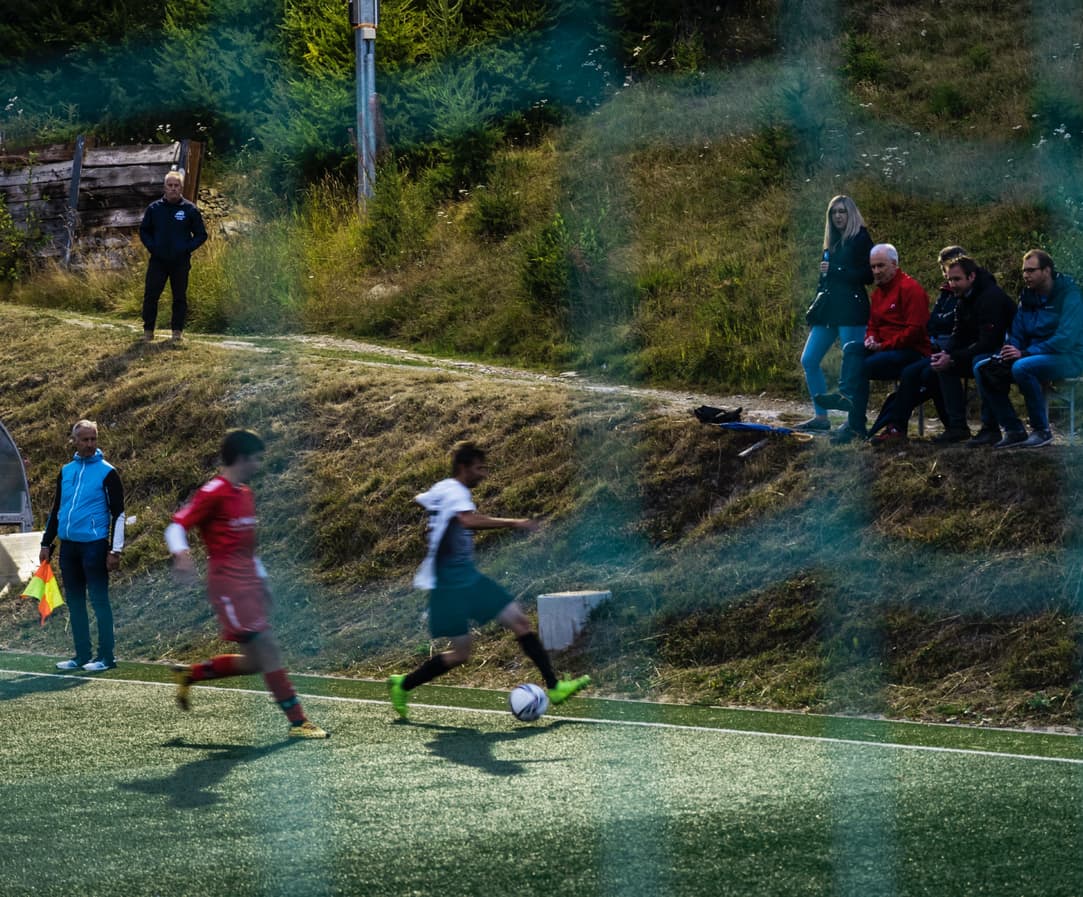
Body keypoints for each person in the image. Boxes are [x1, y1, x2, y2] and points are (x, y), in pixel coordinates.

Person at [387, 442, 591, 719]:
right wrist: (513, 523)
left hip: (465, 579)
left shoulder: (444, 489)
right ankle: (404, 684)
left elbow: (423, 498)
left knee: (519, 622)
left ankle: (554, 687)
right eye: (479, 468)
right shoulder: (456, 491)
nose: (484, 475)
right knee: (461, 654)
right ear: (463, 467)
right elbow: (467, 521)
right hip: (448, 585)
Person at [165, 430, 329, 738]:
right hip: (228, 587)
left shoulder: (245, 494)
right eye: (255, 459)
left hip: (250, 585)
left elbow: (249, 549)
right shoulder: (213, 491)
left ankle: (191, 674)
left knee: (255, 661)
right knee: (268, 650)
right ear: (241, 458)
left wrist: (263, 581)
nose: (258, 465)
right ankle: (298, 721)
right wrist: (182, 555)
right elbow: (177, 525)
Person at [815, 244, 930, 442]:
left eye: (881, 266)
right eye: (873, 267)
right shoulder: (878, 293)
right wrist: (871, 338)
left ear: (894, 265)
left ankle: (855, 423)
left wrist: (882, 346)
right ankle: (847, 398)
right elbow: (873, 324)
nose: (876, 271)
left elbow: (915, 331)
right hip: (884, 348)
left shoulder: (911, 289)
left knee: (863, 366)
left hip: (911, 351)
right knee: (852, 347)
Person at [972, 250, 1083, 448]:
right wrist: (1011, 349)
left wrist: (1025, 353)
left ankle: (1041, 430)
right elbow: (1017, 331)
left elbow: (1065, 338)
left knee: (1022, 367)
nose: (1025, 275)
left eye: (1031, 271)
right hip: (1032, 355)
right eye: (1024, 271)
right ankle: (1013, 429)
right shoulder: (1027, 297)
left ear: (1047, 271)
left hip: (1069, 357)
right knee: (983, 367)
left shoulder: (1070, 295)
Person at [41, 420, 125, 672]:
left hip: (95, 546)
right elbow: (57, 509)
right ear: (75, 441)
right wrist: (47, 542)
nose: (90, 444)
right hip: (69, 548)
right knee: (75, 601)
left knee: (99, 601)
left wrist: (115, 549)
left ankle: (106, 657)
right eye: (85, 439)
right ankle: (81, 655)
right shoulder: (66, 471)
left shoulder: (108, 472)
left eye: (93, 439)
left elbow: (119, 513)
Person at [797, 195, 875, 431]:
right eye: (834, 212)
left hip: (851, 309)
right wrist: (816, 305)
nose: (838, 216)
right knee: (809, 359)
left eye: (842, 211)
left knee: (852, 364)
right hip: (828, 310)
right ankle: (821, 417)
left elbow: (868, 276)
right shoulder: (831, 241)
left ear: (851, 213)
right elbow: (825, 279)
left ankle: (853, 421)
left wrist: (837, 269)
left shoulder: (861, 238)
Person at [930, 255, 1016, 445]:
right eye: (950, 279)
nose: (952, 284)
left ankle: (990, 428)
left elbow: (989, 341)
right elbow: (958, 333)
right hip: (981, 349)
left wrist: (953, 357)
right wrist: (946, 354)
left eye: (957, 279)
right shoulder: (962, 298)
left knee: (981, 365)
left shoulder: (990, 297)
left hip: (1004, 351)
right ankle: (957, 426)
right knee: (941, 366)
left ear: (971, 277)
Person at [139, 170, 207, 343]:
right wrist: (153, 247)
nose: (173, 189)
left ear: (181, 188)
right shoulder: (154, 208)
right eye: (170, 185)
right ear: (164, 187)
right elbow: (144, 231)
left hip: (180, 262)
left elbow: (201, 234)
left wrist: (186, 248)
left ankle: (177, 332)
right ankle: (148, 331)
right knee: (151, 295)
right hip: (158, 261)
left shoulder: (189, 209)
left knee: (179, 297)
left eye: (176, 186)